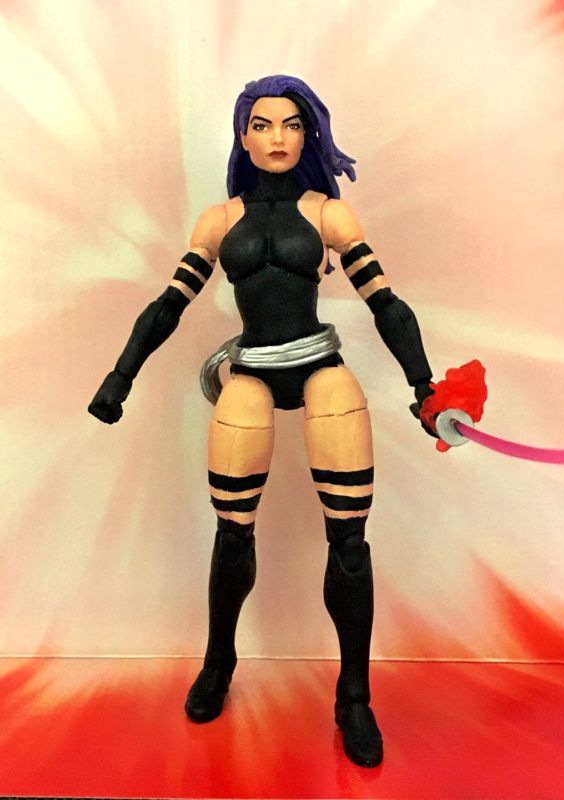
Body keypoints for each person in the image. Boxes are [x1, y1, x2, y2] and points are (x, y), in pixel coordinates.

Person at [89, 75, 435, 768]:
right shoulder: (219, 221)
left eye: (292, 125)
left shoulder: (328, 216)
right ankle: (219, 661)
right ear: (243, 136)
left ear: (309, 136)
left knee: (349, 540)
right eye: (262, 124)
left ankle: (355, 695)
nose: (277, 138)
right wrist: (119, 376)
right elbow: (169, 304)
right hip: (249, 371)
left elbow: (386, 304)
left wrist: (425, 387)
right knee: (232, 530)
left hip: (319, 367)